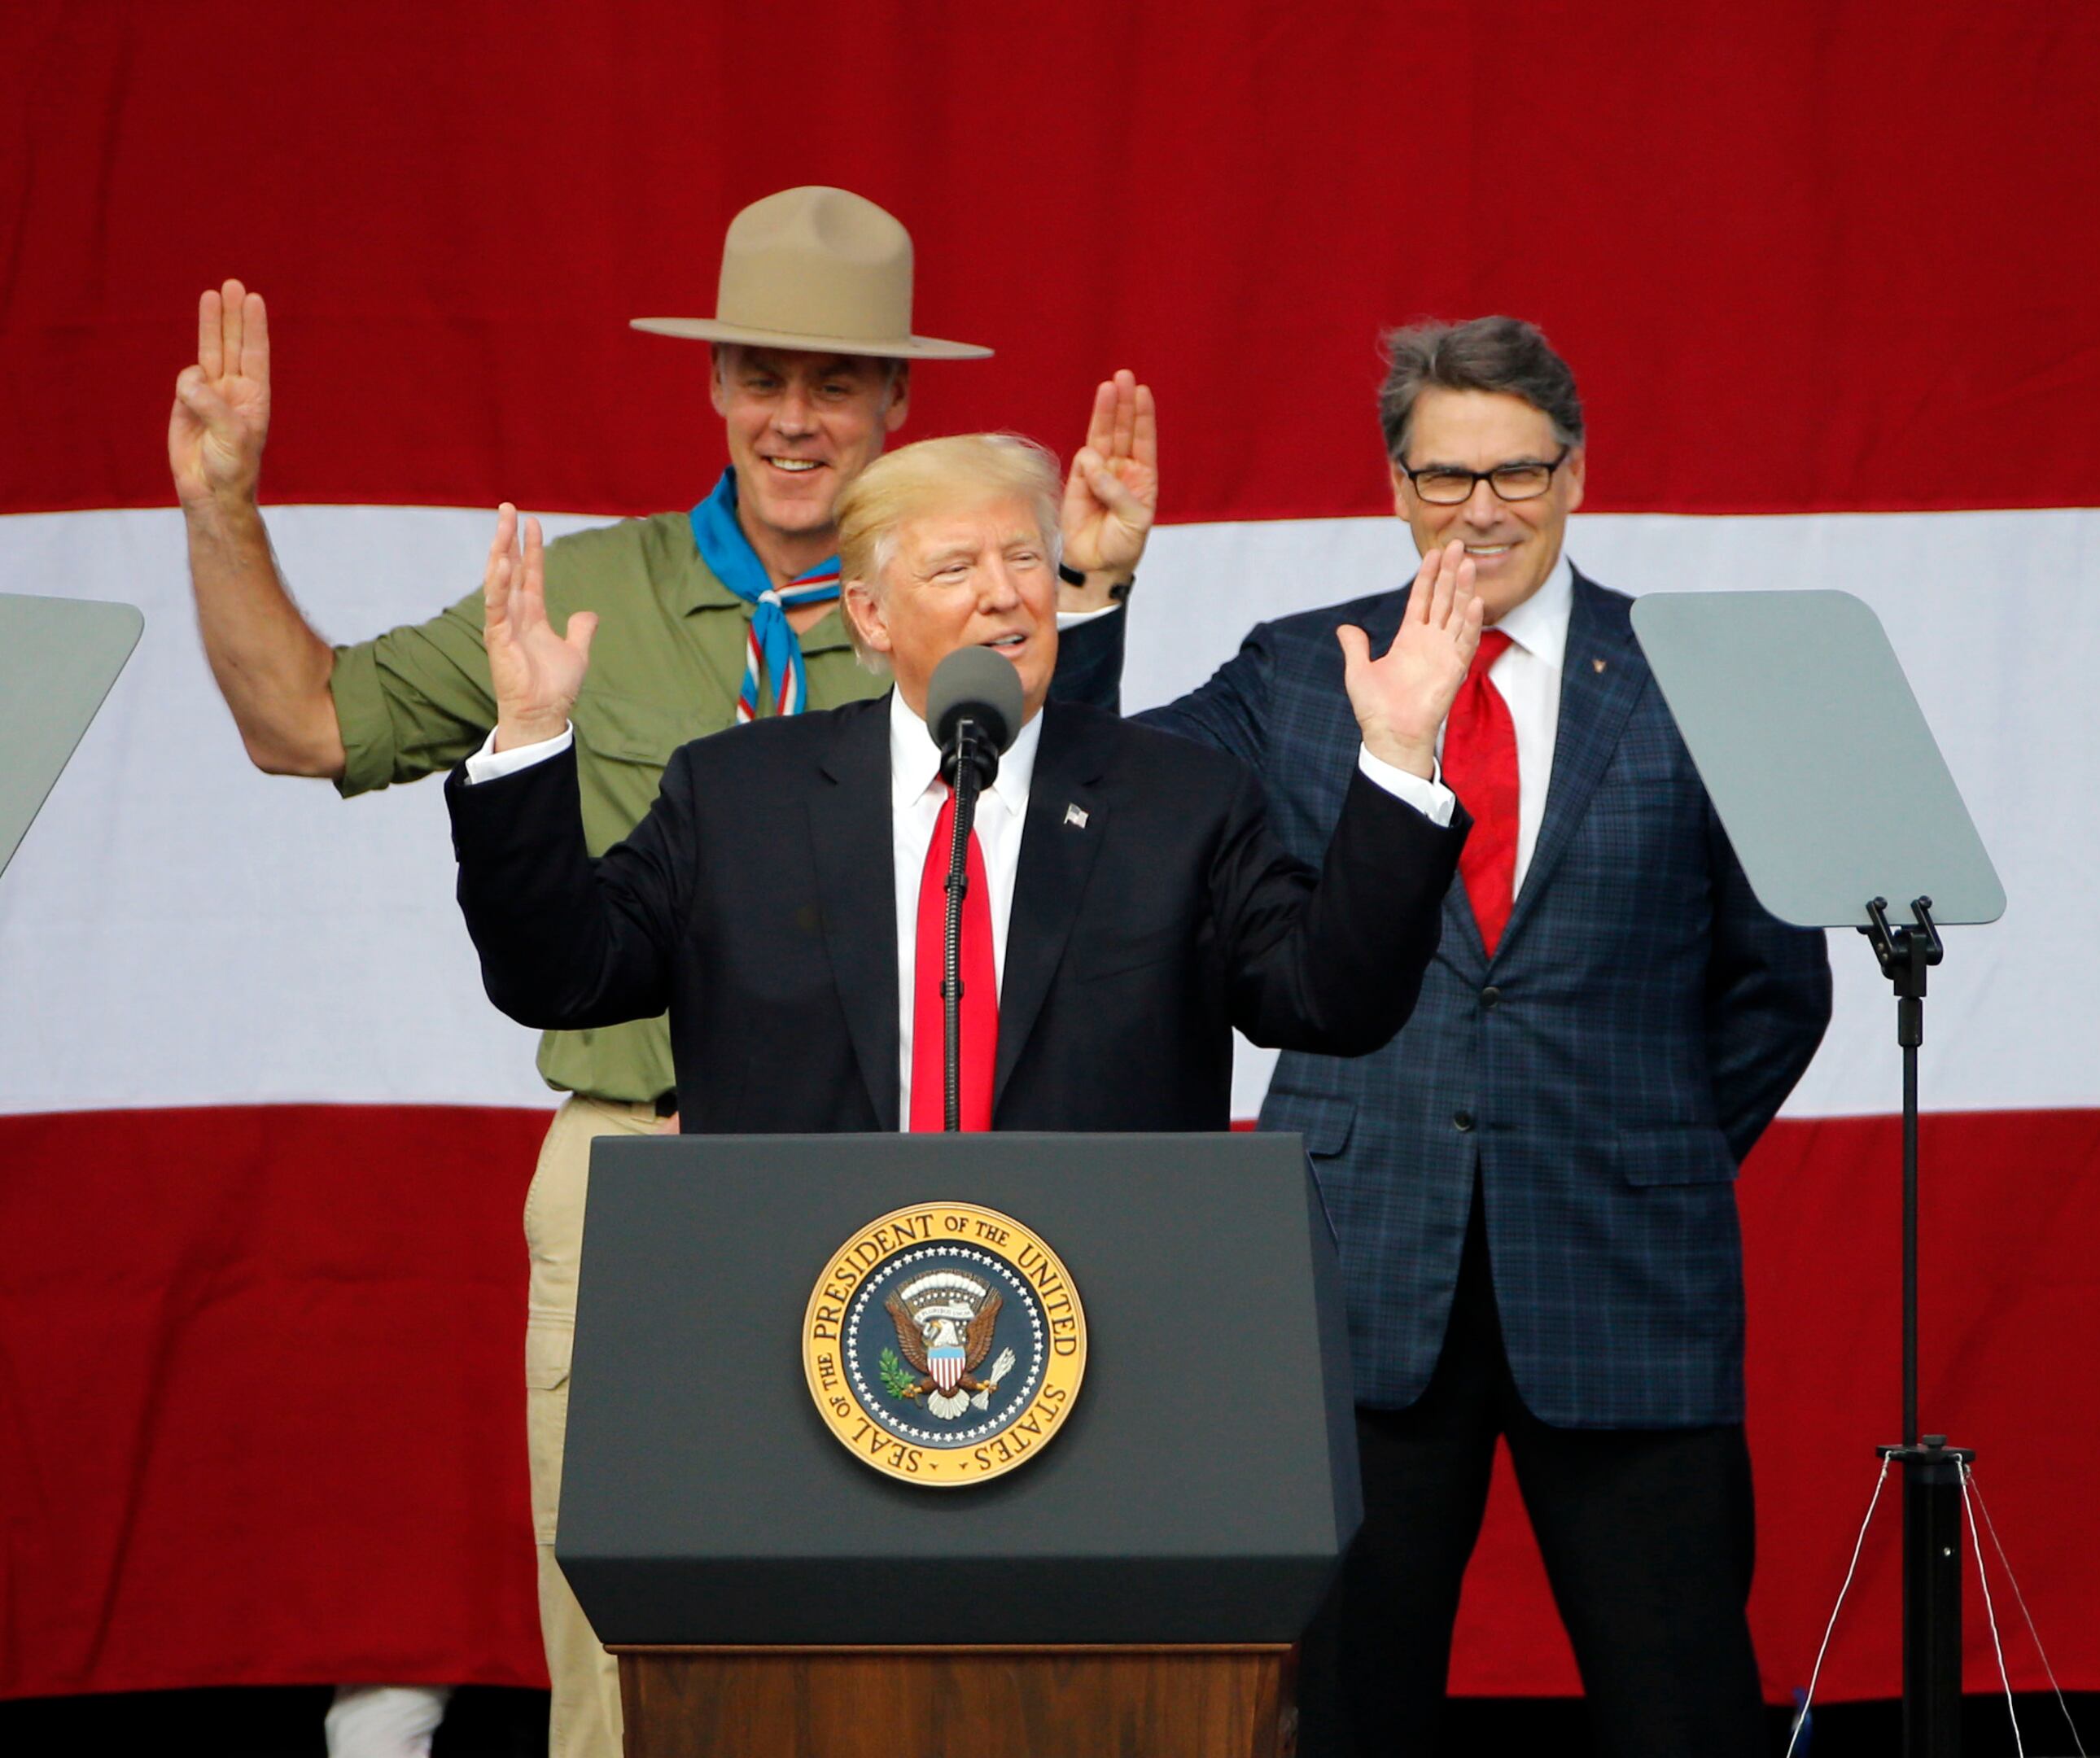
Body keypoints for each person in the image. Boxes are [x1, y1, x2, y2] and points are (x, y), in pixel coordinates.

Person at [165, 186, 1156, 1758]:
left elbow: (1086, 850)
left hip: (907, 1188)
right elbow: (305, 724)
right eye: (762, 374)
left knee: (924, 1653)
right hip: (638, 1165)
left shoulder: (961, 596)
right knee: (629, 1664)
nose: (795, 418)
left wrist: (1091, 601)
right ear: (712, 386)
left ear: (899, 400)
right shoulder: (593, 598)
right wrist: (223, 505)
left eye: (838, 383)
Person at [1057, 317, 1832, 1756]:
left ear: (1578, 474)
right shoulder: (1300, 672)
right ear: (1396, 483)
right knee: (1347, 1712)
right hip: (1353, 1267)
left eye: (1518, 475)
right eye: (1444, 475)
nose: (1481, 510)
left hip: (1624, 1270)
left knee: (1685, 1709)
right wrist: (1096, 587)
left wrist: (1643, 1144)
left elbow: (1780, 989)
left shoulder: (1693, 676)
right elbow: (1091, 801)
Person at [445, 432, 1477, 1144]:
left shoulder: (1181, 802)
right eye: (955, 570)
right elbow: (560, 980)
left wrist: (1395, 754)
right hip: (805, 1308)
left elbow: (1332, 1002)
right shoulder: (736, 797)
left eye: (1024, 556)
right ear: (871, 614)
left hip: (1098, 1311)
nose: (1006, 594)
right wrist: (533, 733)